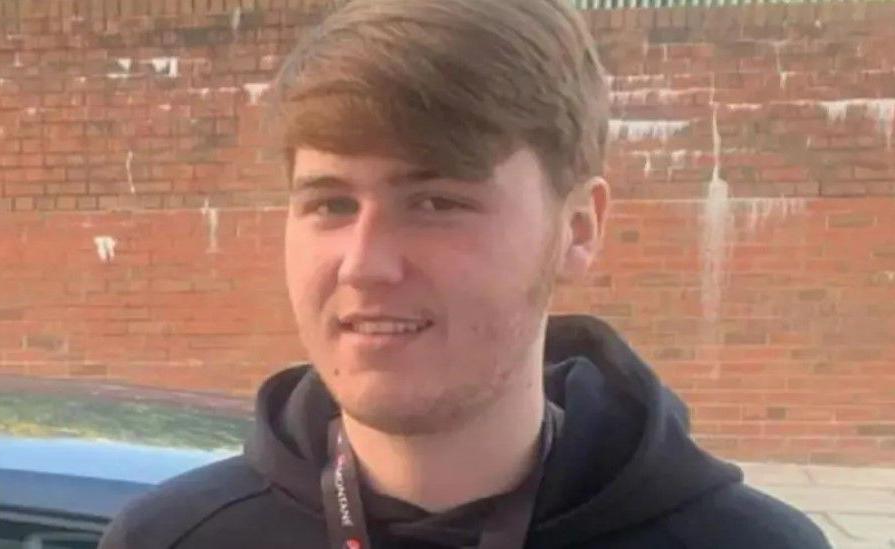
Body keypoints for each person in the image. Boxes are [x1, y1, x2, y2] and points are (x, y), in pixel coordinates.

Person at [98, 0, 830, 547]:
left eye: (436, 201)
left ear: (577, 228)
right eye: (329, 203)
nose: (365, 263)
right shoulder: (168, 537)